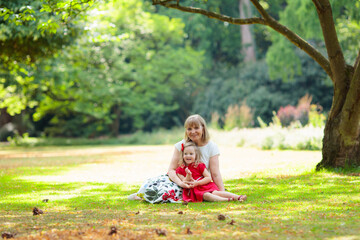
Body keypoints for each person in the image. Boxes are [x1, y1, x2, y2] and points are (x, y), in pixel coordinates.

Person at [128, 114, 226, 203]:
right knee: (150, 183)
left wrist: (221, 191)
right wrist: (181, 183)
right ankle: (141, 194)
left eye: (196, 128)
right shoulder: (180, 145)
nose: (193, 132)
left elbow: (215, 174)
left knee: (166, 192)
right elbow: (171, 170)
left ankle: (146, 196)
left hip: (196, 184)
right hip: (178, 180)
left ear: (203, 128)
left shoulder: (212, 147)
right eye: (189, 129)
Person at [176, 141, 247, 202]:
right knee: (206, 195)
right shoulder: (180, 169)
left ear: (196, 155)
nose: (188, 156)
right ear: (182, 155)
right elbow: (184, 182)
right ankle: (227, 200)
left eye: (191, 154)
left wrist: (197, 183)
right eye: (185, 154)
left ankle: (238, 197)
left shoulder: (199, 165)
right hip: (195, 190)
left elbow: (208, 177)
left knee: (216, 193)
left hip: (204, 185)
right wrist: (188, 175)